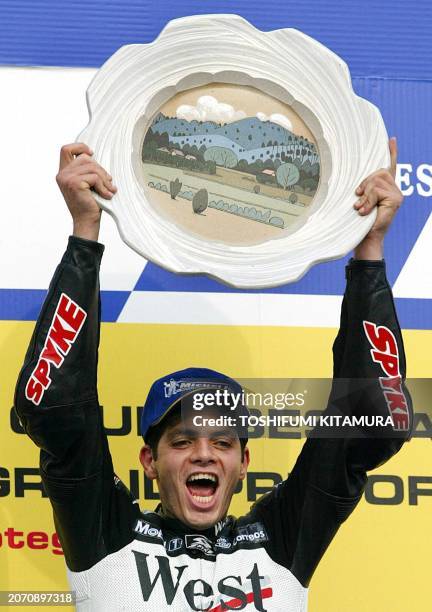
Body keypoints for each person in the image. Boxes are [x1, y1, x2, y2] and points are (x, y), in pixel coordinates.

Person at [14, 139, 412, 611]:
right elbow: (53, 403)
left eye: (222, 443)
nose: (203, 455)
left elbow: (373, 418)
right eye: (182, 442)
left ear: (244, 463)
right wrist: (85, 231)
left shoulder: (281, 541)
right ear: (148, 459)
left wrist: (368, 246)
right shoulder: (104, 534)